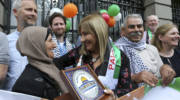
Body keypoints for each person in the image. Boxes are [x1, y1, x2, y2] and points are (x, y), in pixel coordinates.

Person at [46, 13, 135, 97]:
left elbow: (126, 90)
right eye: (81, 35)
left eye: (85, 34)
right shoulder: (79, 51)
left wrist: (113, 95)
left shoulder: (120, 57)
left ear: (98, 33)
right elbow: (56, 63)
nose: (82, 39)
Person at [115, 14, 176, 87]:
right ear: (123, 30)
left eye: (139, 26)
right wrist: (135, 77)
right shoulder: (116, 50)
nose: (137, 29)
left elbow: (161, 67)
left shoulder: (152, 48)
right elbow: (111, 79)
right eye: (132, 27)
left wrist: (165, 68)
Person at [12, 26, 68, 99]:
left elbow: (70, 57)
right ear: (37, 45)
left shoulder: (50, 67)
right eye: (50, 40)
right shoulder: (26, 84)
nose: (54, 45)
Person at [4, 0, 37, 90]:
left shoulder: (42, 43)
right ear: (15, 12)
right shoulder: (5, 41)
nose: (33, 13)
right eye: (29, 9)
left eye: (35, 11)